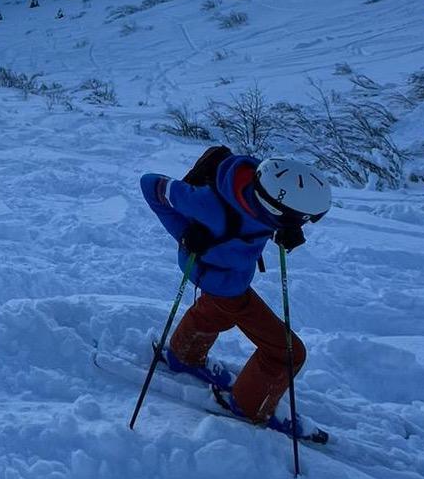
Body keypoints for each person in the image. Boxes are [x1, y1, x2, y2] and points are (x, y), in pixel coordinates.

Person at [140, 146, 330, 433]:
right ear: (275, 209)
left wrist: (284, 228)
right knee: (286, 352)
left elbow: (259, 216)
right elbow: (150, 184)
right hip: (216, 276)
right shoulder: (209, 205)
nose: (305, 223)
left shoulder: (261, 189)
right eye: (302, 218)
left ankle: (184, 356)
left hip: (229, 273)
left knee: (218, 312)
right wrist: (184, 234)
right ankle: (247, 405)